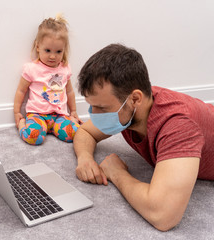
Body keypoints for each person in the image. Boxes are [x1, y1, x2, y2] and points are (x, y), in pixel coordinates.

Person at [74, 43, 214, 231]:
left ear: (135, 99)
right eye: (92, 106)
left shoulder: (179, 124)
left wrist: (117, 173)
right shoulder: (130, 109)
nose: (94, 114)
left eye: (103, 108)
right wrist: (85, 159)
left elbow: (163, 215)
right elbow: (85, 131)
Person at [13, 14, 82, 145]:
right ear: (38, 47)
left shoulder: (65, 69)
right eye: (48, 50)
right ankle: (24, 125)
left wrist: (73, 111)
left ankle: (59, 128)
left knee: (76, 134)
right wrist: (17, 112)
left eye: (58, 52)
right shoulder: (32, 69)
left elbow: (69, 92)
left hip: (59, 116)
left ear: (64, 50)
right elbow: (21, 91)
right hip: (37, 115)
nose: (52, 56)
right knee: (34, 137)